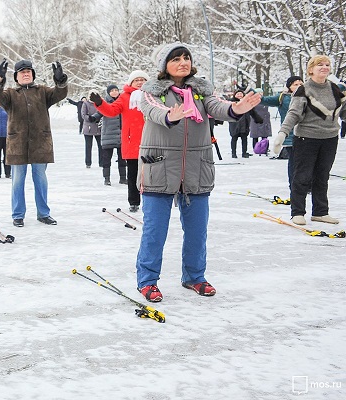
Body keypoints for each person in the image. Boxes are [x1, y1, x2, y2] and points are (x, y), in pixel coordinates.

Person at [135, 42, 260, 302]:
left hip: (197, 169)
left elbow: (218, 107)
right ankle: (147, 280)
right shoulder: (151, 91)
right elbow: (153, 111)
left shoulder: (202, 90)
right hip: (159, 168)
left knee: (197, 231)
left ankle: (194, 276)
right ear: (164, 65)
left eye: (186, 58)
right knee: (154, 231)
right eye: (176, 59)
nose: (183, 62)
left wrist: (237, 109)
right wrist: (172, 113)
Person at [0, 58, 67, 227]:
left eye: (28, 72)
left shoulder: (43, 92)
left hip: (40, 143)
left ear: (32, 75)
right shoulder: (10, 94)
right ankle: (18, 214)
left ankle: (43, 214)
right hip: (18, 144)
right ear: (16, 77)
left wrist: (60, 81)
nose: (25, 74)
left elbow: (60, 94)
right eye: (22, 73)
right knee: (17, 180)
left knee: (41, 180)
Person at [274, 54, 345, 226]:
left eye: (327, 64)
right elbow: (294, 113)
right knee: (302, 176)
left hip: (329, 138)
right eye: (320, 64)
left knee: (322, 175)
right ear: (311, 69)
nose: (324, 67)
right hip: (306, 138)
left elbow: (343, 112)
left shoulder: (335, 89)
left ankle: (320, 212)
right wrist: (282, 133)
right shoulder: (303, 89)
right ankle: (297, 212)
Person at [92, 70, 149, 212]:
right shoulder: (124, 97)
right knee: (133, 175)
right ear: (131, 82)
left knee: (151, 175)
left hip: (151, 141)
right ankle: (134, 202)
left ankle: (151, 202)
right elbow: (111, 110)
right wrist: (99, 102)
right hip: (132, 142)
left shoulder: (152, 96)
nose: (140, 82)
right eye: (137, 80)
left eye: (143, 80)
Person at [262, 75, 303, 191]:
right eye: (296, 84)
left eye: (301, 84)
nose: (299, 86)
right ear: (289, 87)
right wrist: (249, 94)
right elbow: (264, 100)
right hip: (290, 135)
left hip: (307, 134)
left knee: (306, 162)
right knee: (294, 162)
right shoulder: (283, 97)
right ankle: (294, 185)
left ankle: (306, 185)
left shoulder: (308, 96)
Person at [91, 84, 125, 186]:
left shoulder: (123, 102)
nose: (114, 92)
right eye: (112, 91)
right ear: (108, 93)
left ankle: (123, 178)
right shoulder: (104, 103)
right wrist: (93, 118)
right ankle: (107, 178)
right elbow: (100, 112)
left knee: (122, 159)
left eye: (116, 90)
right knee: (106, 158)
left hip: (121, 135)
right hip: (108, 135)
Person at [228, 89, 263, 158]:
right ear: (235, 95)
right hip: (234, 124)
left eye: (241, 94)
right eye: (238, 94)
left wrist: (258, 119)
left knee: (244, 139)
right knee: (234, 139)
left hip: (245, 124)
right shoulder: (231, 103)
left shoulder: (247, 103)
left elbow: (253, 112)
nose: (239, 95)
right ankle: (233, 153)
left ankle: (244, 152)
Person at [80, 95, 103, 168]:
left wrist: (98, 117)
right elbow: (83, 114)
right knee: (88, 146)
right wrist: (90, 118)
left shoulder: (100, 103)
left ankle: (101, 162)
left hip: (98, 127)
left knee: (101, 146)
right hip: (88, 127)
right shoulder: (86, 104)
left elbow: (103, 111)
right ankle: (88, 162)